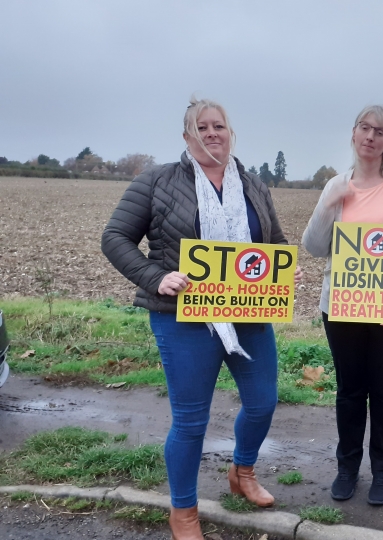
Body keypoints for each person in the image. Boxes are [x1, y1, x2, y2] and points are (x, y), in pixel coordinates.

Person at [102, 97, 300, 540]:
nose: (212, 133)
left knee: (263, 402)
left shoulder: (252, 184)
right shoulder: (156, 181)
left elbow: (275, 241)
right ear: (187, 136)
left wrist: (286, 268)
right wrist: (156, 277)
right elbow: (115, 237)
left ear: (231, 133)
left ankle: (242, 471)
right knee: (191, 421)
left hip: (247, 313)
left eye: (219, 126)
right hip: (184, 319)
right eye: (201, 127)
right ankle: (184, 511)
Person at [301, 105, 383, 506]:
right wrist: (327, 206)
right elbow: (314, 247)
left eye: (380, 132)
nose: (371, 137)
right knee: (350, 389)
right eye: (364, 128)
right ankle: (347, 467)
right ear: (353, 134)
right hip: (341, 305)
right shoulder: (336, 185)